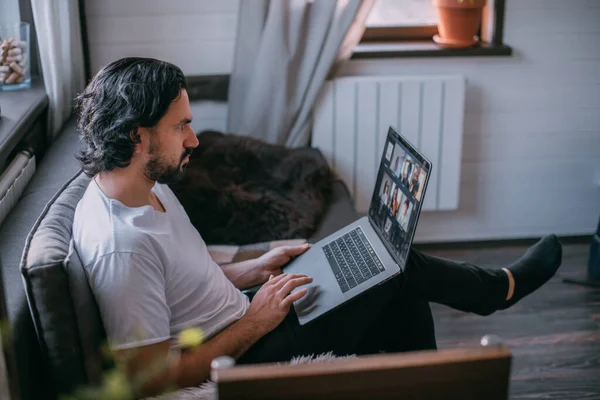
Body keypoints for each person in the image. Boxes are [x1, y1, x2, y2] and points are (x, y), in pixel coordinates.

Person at [73, 58, 563, 397]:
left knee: (386, 271)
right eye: (180, 126)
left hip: (248, 314)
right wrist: (255, 321)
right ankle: (495, 290)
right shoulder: (122, 247)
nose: (194, 139)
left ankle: (435, 364)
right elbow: (152, 380)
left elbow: (179, 287)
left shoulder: (146, 188)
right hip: (248, 350)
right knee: (392, 267)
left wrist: (251, 269)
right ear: (138, 136)